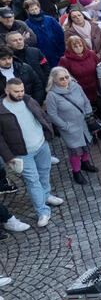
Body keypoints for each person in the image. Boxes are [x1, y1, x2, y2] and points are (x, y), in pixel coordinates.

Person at [0, 77, 60, 227]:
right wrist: (9, 158)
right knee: (33, 181)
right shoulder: (1, 110)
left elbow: (41, 115)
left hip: (41, 145)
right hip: (22, 153)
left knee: (44, 172)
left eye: (22, 90)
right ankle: (42, 212)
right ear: (7, 91)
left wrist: (48, 132)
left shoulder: (28, 100)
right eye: (16, 91)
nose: (20, 94)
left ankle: (46, 195)